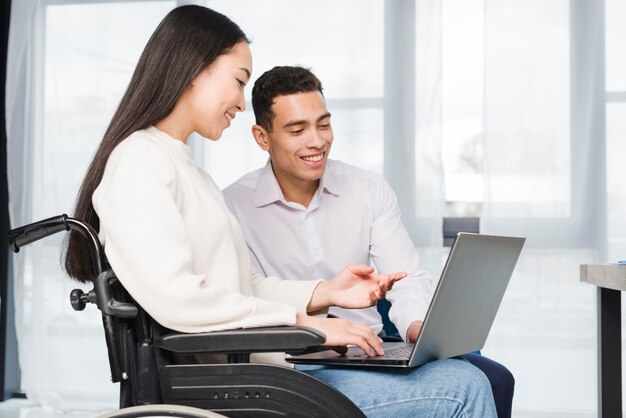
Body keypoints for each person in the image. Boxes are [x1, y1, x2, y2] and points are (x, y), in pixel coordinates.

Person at [64, 6, 497, 417]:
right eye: (238, 80)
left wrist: (324, 294)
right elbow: (180, 300)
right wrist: (310, 325)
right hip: (241, 380)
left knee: (465, 375)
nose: (238, 99)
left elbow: (242, 286)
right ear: (194, 72)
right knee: (464, 388)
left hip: (258, 368)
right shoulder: (139, 162)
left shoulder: (183, 168)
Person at [224, 66, 513, 417]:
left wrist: (416, 327)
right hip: (289, 366)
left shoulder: (367, 189)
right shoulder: (233, 206)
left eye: (324, 124)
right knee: (466, 385)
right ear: (262, 137)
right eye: (297, 130)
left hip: (371, 354)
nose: (316, 140)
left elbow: (406, 276)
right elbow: (248, 295)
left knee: (492, 376)